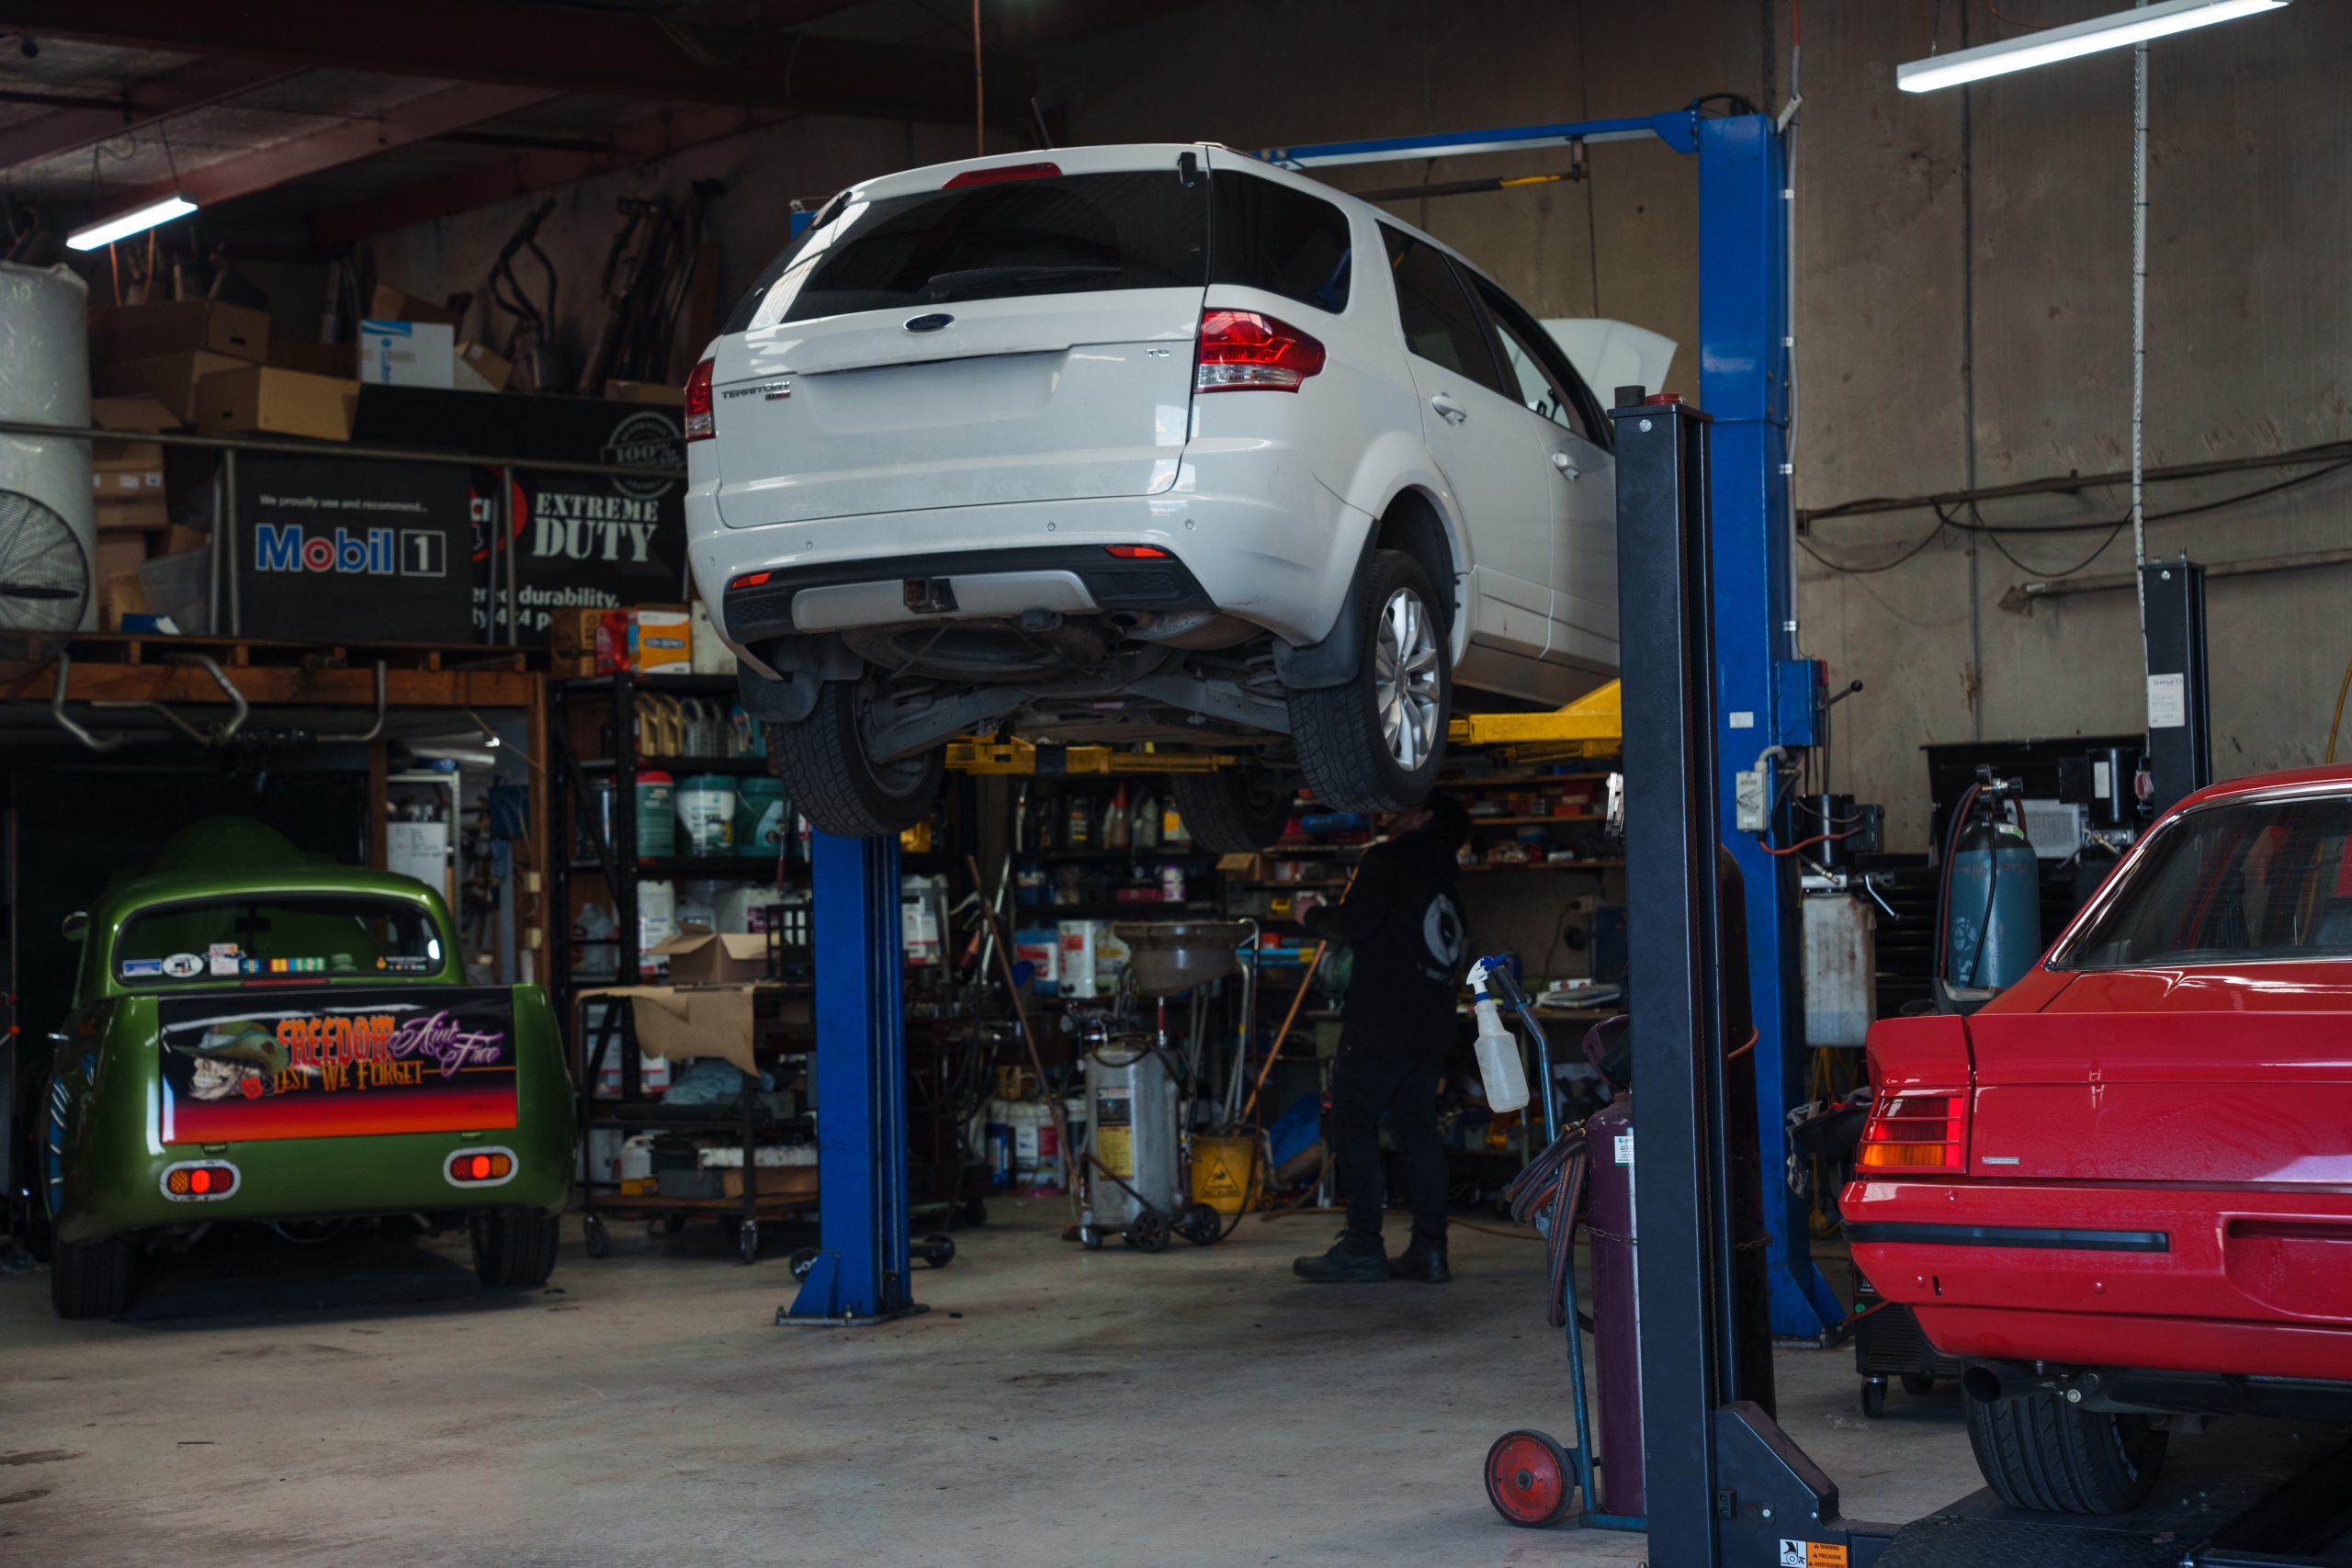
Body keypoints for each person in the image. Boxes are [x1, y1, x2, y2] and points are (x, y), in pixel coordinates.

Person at [1290, 792, 1472, 1284]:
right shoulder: (1449, 883)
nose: (1390, 813)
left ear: (1425, 817)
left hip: (1382, 1021)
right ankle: (1430, 1250)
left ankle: (1362, 1246)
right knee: (1418, 1131)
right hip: (1431, 1025)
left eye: (1403, 808)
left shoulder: (1387, 859)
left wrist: (1310, 915)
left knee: (1352, 1123)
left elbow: (1353, 924)